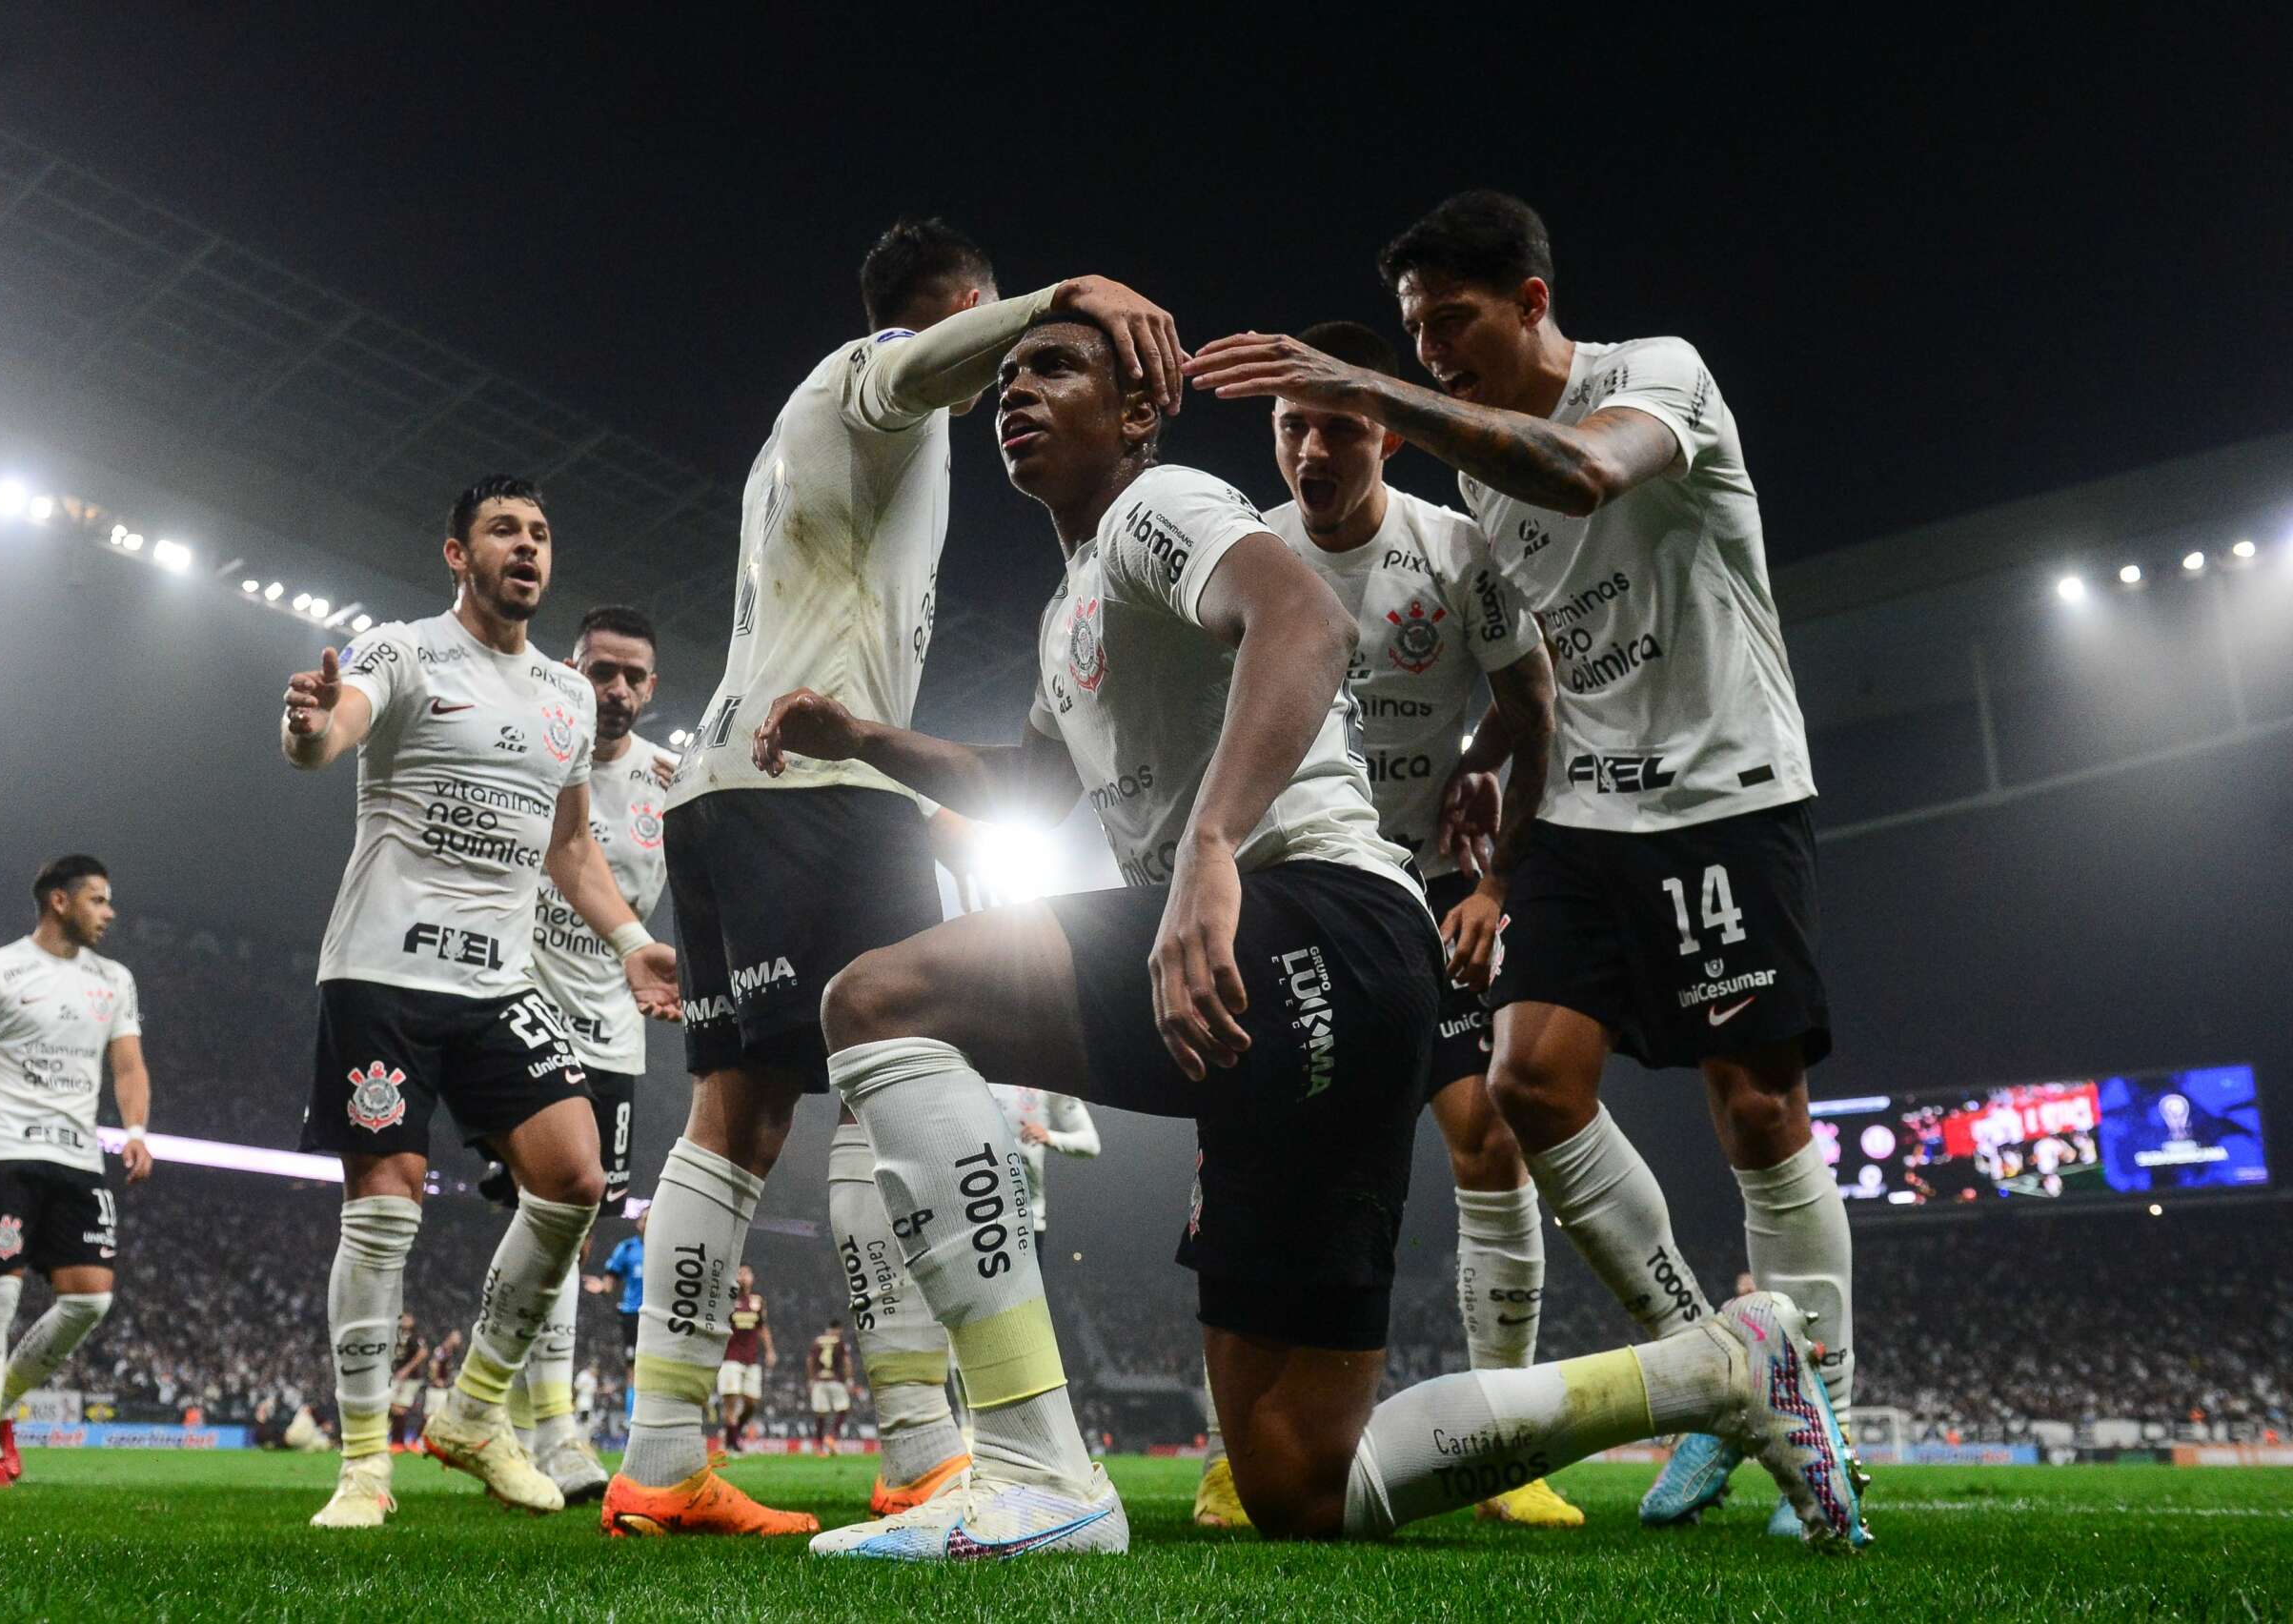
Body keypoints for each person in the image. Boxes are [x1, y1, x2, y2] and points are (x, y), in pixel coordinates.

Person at [757, 315, 1865, 1557]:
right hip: (1310, 981)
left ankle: (1031, 1470)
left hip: (1309, 924)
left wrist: (1214, 848)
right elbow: (1028, 777)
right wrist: (863, 745)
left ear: (1136, 415)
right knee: (1299, 1483)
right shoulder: (1073, 601)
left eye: (1055, 367)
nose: (1016, 390)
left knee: (877, 999)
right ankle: (1719, 1368)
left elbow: (1303, 622)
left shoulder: (1157, 503)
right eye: (1004, 378)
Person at [1186, 188, 1857, 1538]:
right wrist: (1491, 770)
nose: (1429, 349)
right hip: (1583, 819)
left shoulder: (1653, 377)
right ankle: (1713, 1371)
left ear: (1534, 302)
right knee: (1531, 1088)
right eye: (1411, 329)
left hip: (1722, 788)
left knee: (1758, 1110)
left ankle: (1826, 1407)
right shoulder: (1478, 473)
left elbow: (1587, 471)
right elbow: (1533, 681)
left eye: (1450, 321)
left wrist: (1367, 387)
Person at [604, 215, 1182, 1540]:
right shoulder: (871, 381)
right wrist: (1074, 290)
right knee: (889, 1088)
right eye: (1017, 348)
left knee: (741, 1121)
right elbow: (911, 365)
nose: (1021, 381)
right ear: (969, 314)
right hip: (807, 794)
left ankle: (664, 1455)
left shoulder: (816, 442)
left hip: (756, 792)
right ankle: (926, 1448)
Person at [1220, 316, 1576, 1532]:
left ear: (1383, 428)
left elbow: (1534, 705)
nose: (1308, 447)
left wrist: (1493, 886)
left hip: (1427, 891)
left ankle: (1508, 1443)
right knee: (1260, 1157)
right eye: (1288, 426)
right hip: (1297, 890)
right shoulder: (1244, 557)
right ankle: (1238, 1447)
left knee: (1487, 1137)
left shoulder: (1453, 549)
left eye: (1332, 423)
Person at [280, 474, 680, 1530]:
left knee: (575, 1179)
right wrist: (310, 730)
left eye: (542, 533)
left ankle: (470, 1413)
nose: (527, 547)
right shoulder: (402, 650)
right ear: (457, 553)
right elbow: (332, 734)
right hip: (384, 975)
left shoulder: (562, 694)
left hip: (498, 986)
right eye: (504, 529)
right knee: (383, 1214)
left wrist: (635, 943)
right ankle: (363, 1468)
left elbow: (570, 846)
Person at [482, 602, 675, 1504]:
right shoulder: (530, 743)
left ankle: (509, 1424)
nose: (618, 691)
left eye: (634, 676)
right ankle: (550, 1429)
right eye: (602, 671)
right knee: (548, 1210)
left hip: (616, 1028)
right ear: (572, 667)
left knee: (571, 1230)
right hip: (520, 1009)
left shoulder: (671, 786)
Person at [0, 854, 155, 1488]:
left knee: (91, 1298)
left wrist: (135, 1132)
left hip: (77, 1157)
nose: (109, 913)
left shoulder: (115, 979)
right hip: (2, 1152)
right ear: (60, 900)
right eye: (98, 900)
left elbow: (128, 1067)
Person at [986, 1086, 1100, 1268]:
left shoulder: (1048, 1078)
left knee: (1026, 1296)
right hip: (974, 1215)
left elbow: (1091, 1144)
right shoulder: (974, 1070)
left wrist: (1050, 1137)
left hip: (1026, 1219)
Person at [716, 1265, 774, 1455]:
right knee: (731, 1402)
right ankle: (733, 1445)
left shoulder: (758, 1302)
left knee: (751, 1402)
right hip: (730, 1357)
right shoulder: (726, 1300)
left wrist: (770, 1351)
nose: (742, 1277)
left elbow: (762, 1327)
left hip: (751, 1358)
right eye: (739, 1273)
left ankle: (731, 1433)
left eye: (746, 1273)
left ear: (752, 1278)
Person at [592, 1208, 646, 1366]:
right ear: (638, 1223)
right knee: (633, 1360)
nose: (648, 1223)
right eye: (645, 1219)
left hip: (657, 1314)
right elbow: (610, 1281)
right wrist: (603, 1287)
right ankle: (631, 1391)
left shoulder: (666, 1249)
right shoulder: (627, 1248)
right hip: (633, 1313)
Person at [807, 1320, 854, 1455]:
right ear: (837, 1329)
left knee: (820, 1413)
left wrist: (811, 1379)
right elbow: (846, 1362)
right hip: (835, 1380)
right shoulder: (839, 1342)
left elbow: (810, 1360)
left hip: (819, 1380)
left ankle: (819, 1446)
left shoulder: (817, 1341)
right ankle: (831, 1437)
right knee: (843, 1408)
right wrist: (849, 1380)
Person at [387, 1314, 429, 1451]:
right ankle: (397, 1441)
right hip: (399, 1376)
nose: (404, 1321)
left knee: (399, 1408)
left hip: (410, 1377)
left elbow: (423, 1353)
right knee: (393, 1406)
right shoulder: (398, 1335)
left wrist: (406, 1369)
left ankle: (398, 1442)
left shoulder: (415, 1336)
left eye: (407, 1318)